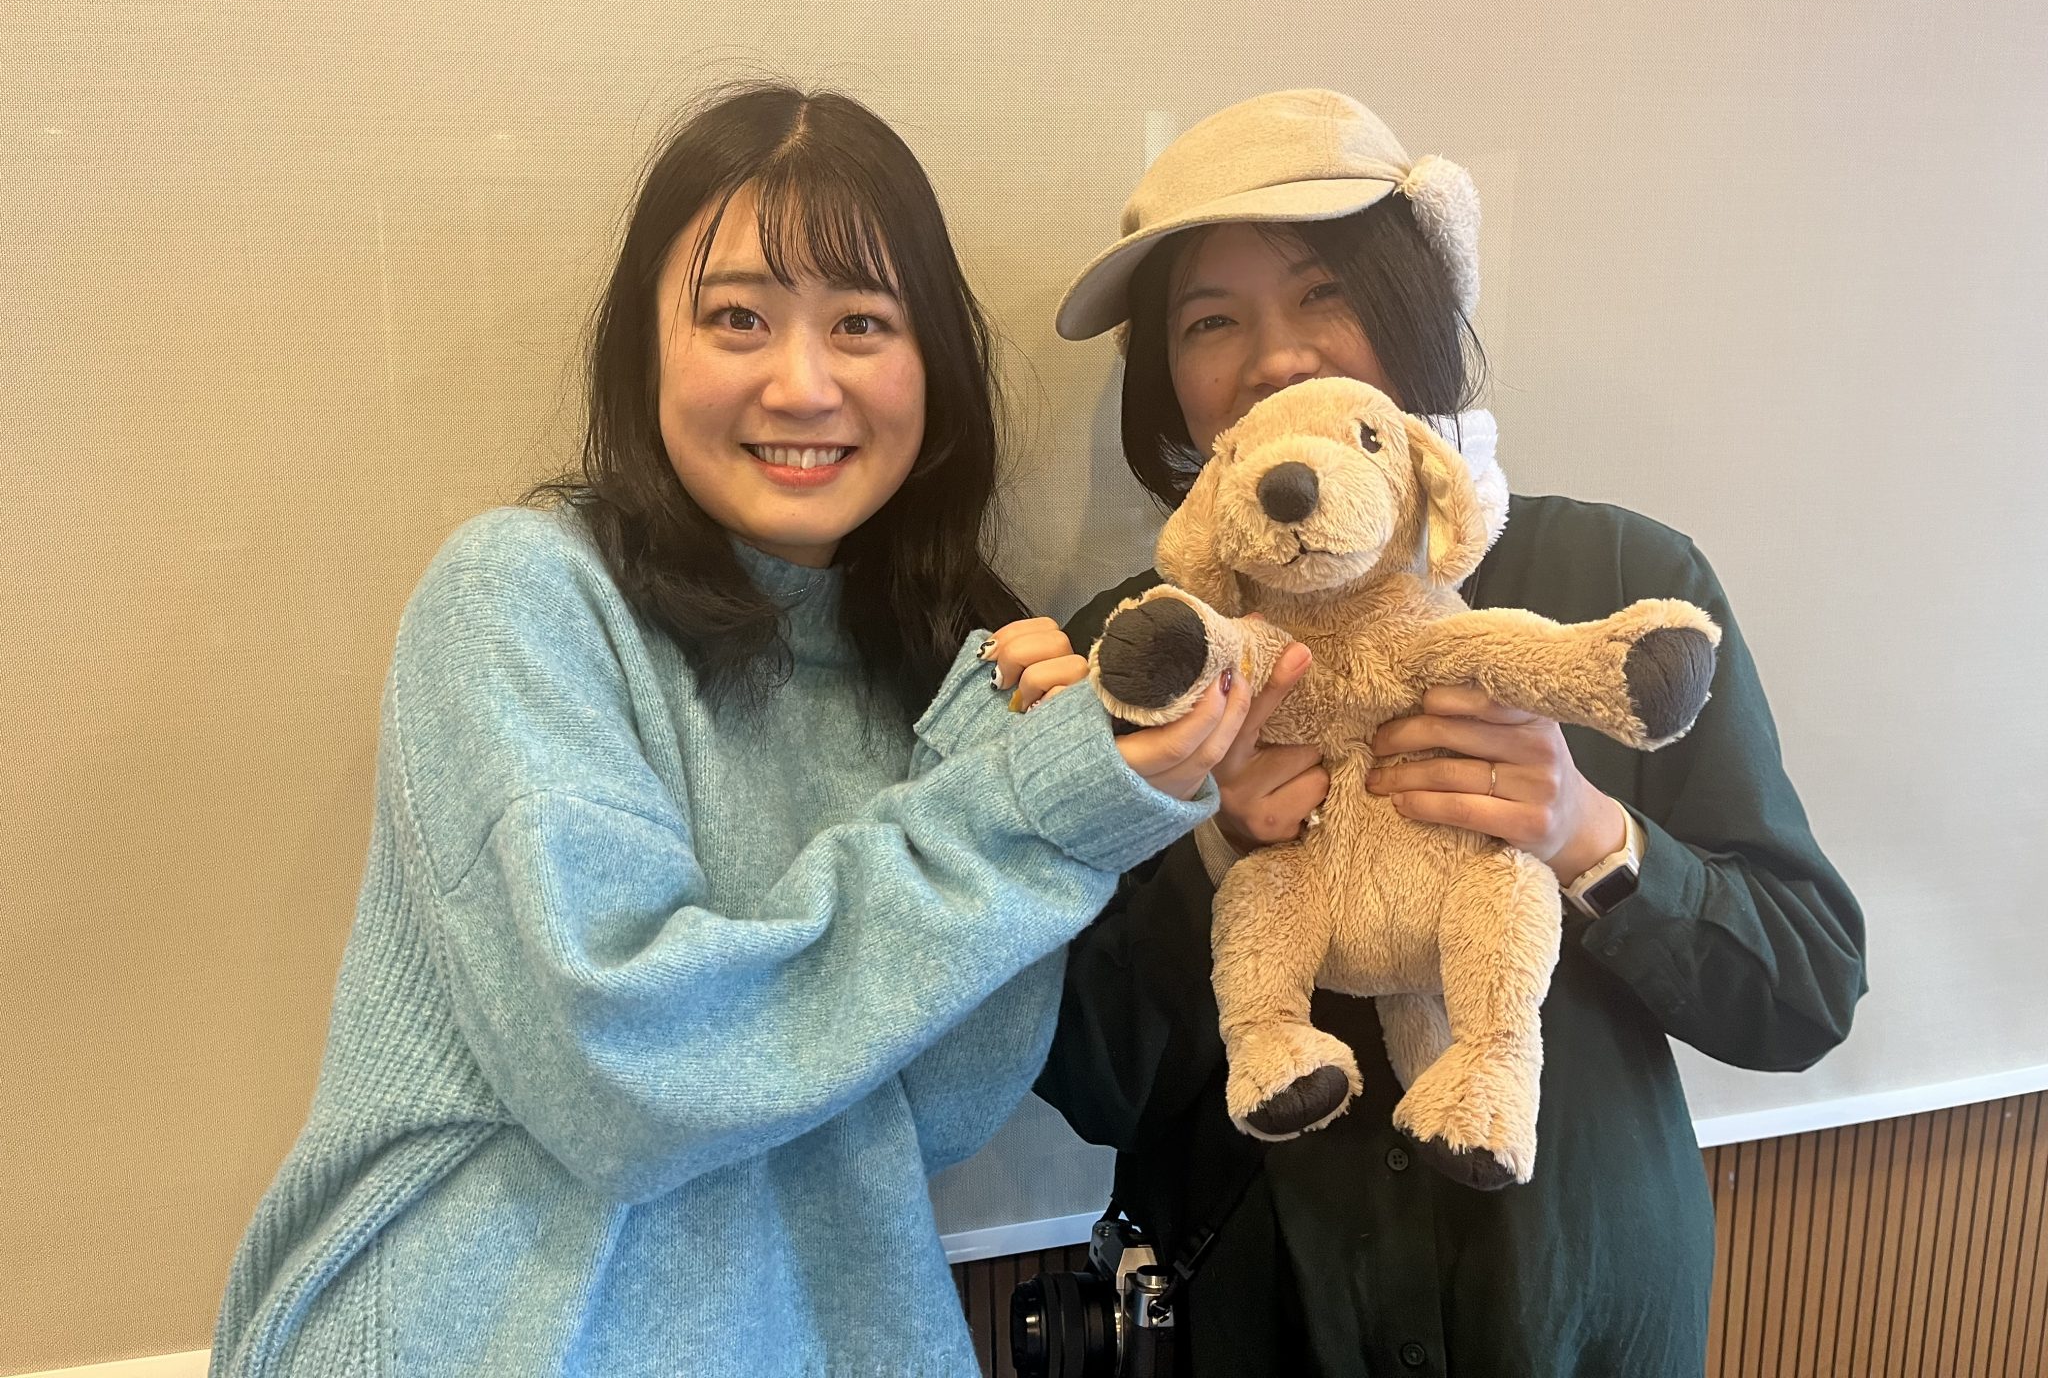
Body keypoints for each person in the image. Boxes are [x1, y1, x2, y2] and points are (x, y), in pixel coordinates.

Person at [210, 84, 1255, 1378]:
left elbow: (936, 1117)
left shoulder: (944, 667)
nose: (803, 385)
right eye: (738, 319)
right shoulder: (523, 596)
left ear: (932, 368)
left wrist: (1003, 776)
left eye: (862, 323)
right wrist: (1017, 818)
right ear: (646, 351)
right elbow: (625, 1072)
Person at [1035, 88, 1868, 1377]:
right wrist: (1207, 842)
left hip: (1580, 1323)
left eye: (1324, 291)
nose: (1277, 358)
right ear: (1168, 381)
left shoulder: (1623, 586)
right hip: (1257, 1324)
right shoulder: (1138, 654)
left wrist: (1589, 836)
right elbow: (1090, 1077)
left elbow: (1803, 995)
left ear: (1419, 305)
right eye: (1211, 320)